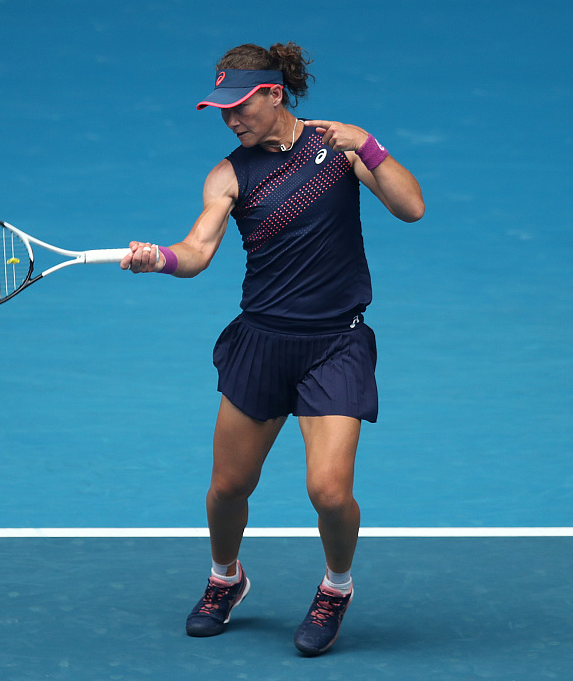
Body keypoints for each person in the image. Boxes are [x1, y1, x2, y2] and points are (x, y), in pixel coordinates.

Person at [120, 42, 424, 656]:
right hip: (261, 343)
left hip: (335, 345)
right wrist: (161, 260)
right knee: (227, 489)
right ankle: (224, 579)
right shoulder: (228, 174)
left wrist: (368, 145)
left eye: (240, 107)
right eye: (222, 110)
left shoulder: (339, 147)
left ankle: (336, 587)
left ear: (274, 93)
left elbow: (411, 207)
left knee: (330, 492)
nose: (231, 120)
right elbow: (197, 251)